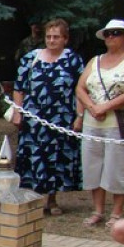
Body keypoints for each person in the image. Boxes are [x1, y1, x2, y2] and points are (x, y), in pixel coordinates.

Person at [75, 19, 124, 229]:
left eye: (116, 33)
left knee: (118, 166)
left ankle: (117, 212)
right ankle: (97, 209)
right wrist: (91, 107)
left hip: (120, 122)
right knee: (92, 166)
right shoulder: (94, 61)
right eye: (108, 33)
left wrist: (105, 107)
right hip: (92, 122)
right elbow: (80, 87)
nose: (111, 37)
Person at [11, 19, 84, 215]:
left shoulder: (73, 60)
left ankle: (52, 200)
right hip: (34, 119)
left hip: (61, 119)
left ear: (65, 39)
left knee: (56, 159)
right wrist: (18, 112)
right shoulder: (30, 59)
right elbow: (19, 88)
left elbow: (81, 90)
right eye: (49, 37)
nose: (52, 41)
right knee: (33, 158)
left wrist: (80, 116)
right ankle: (32, 200)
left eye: (56, 37)